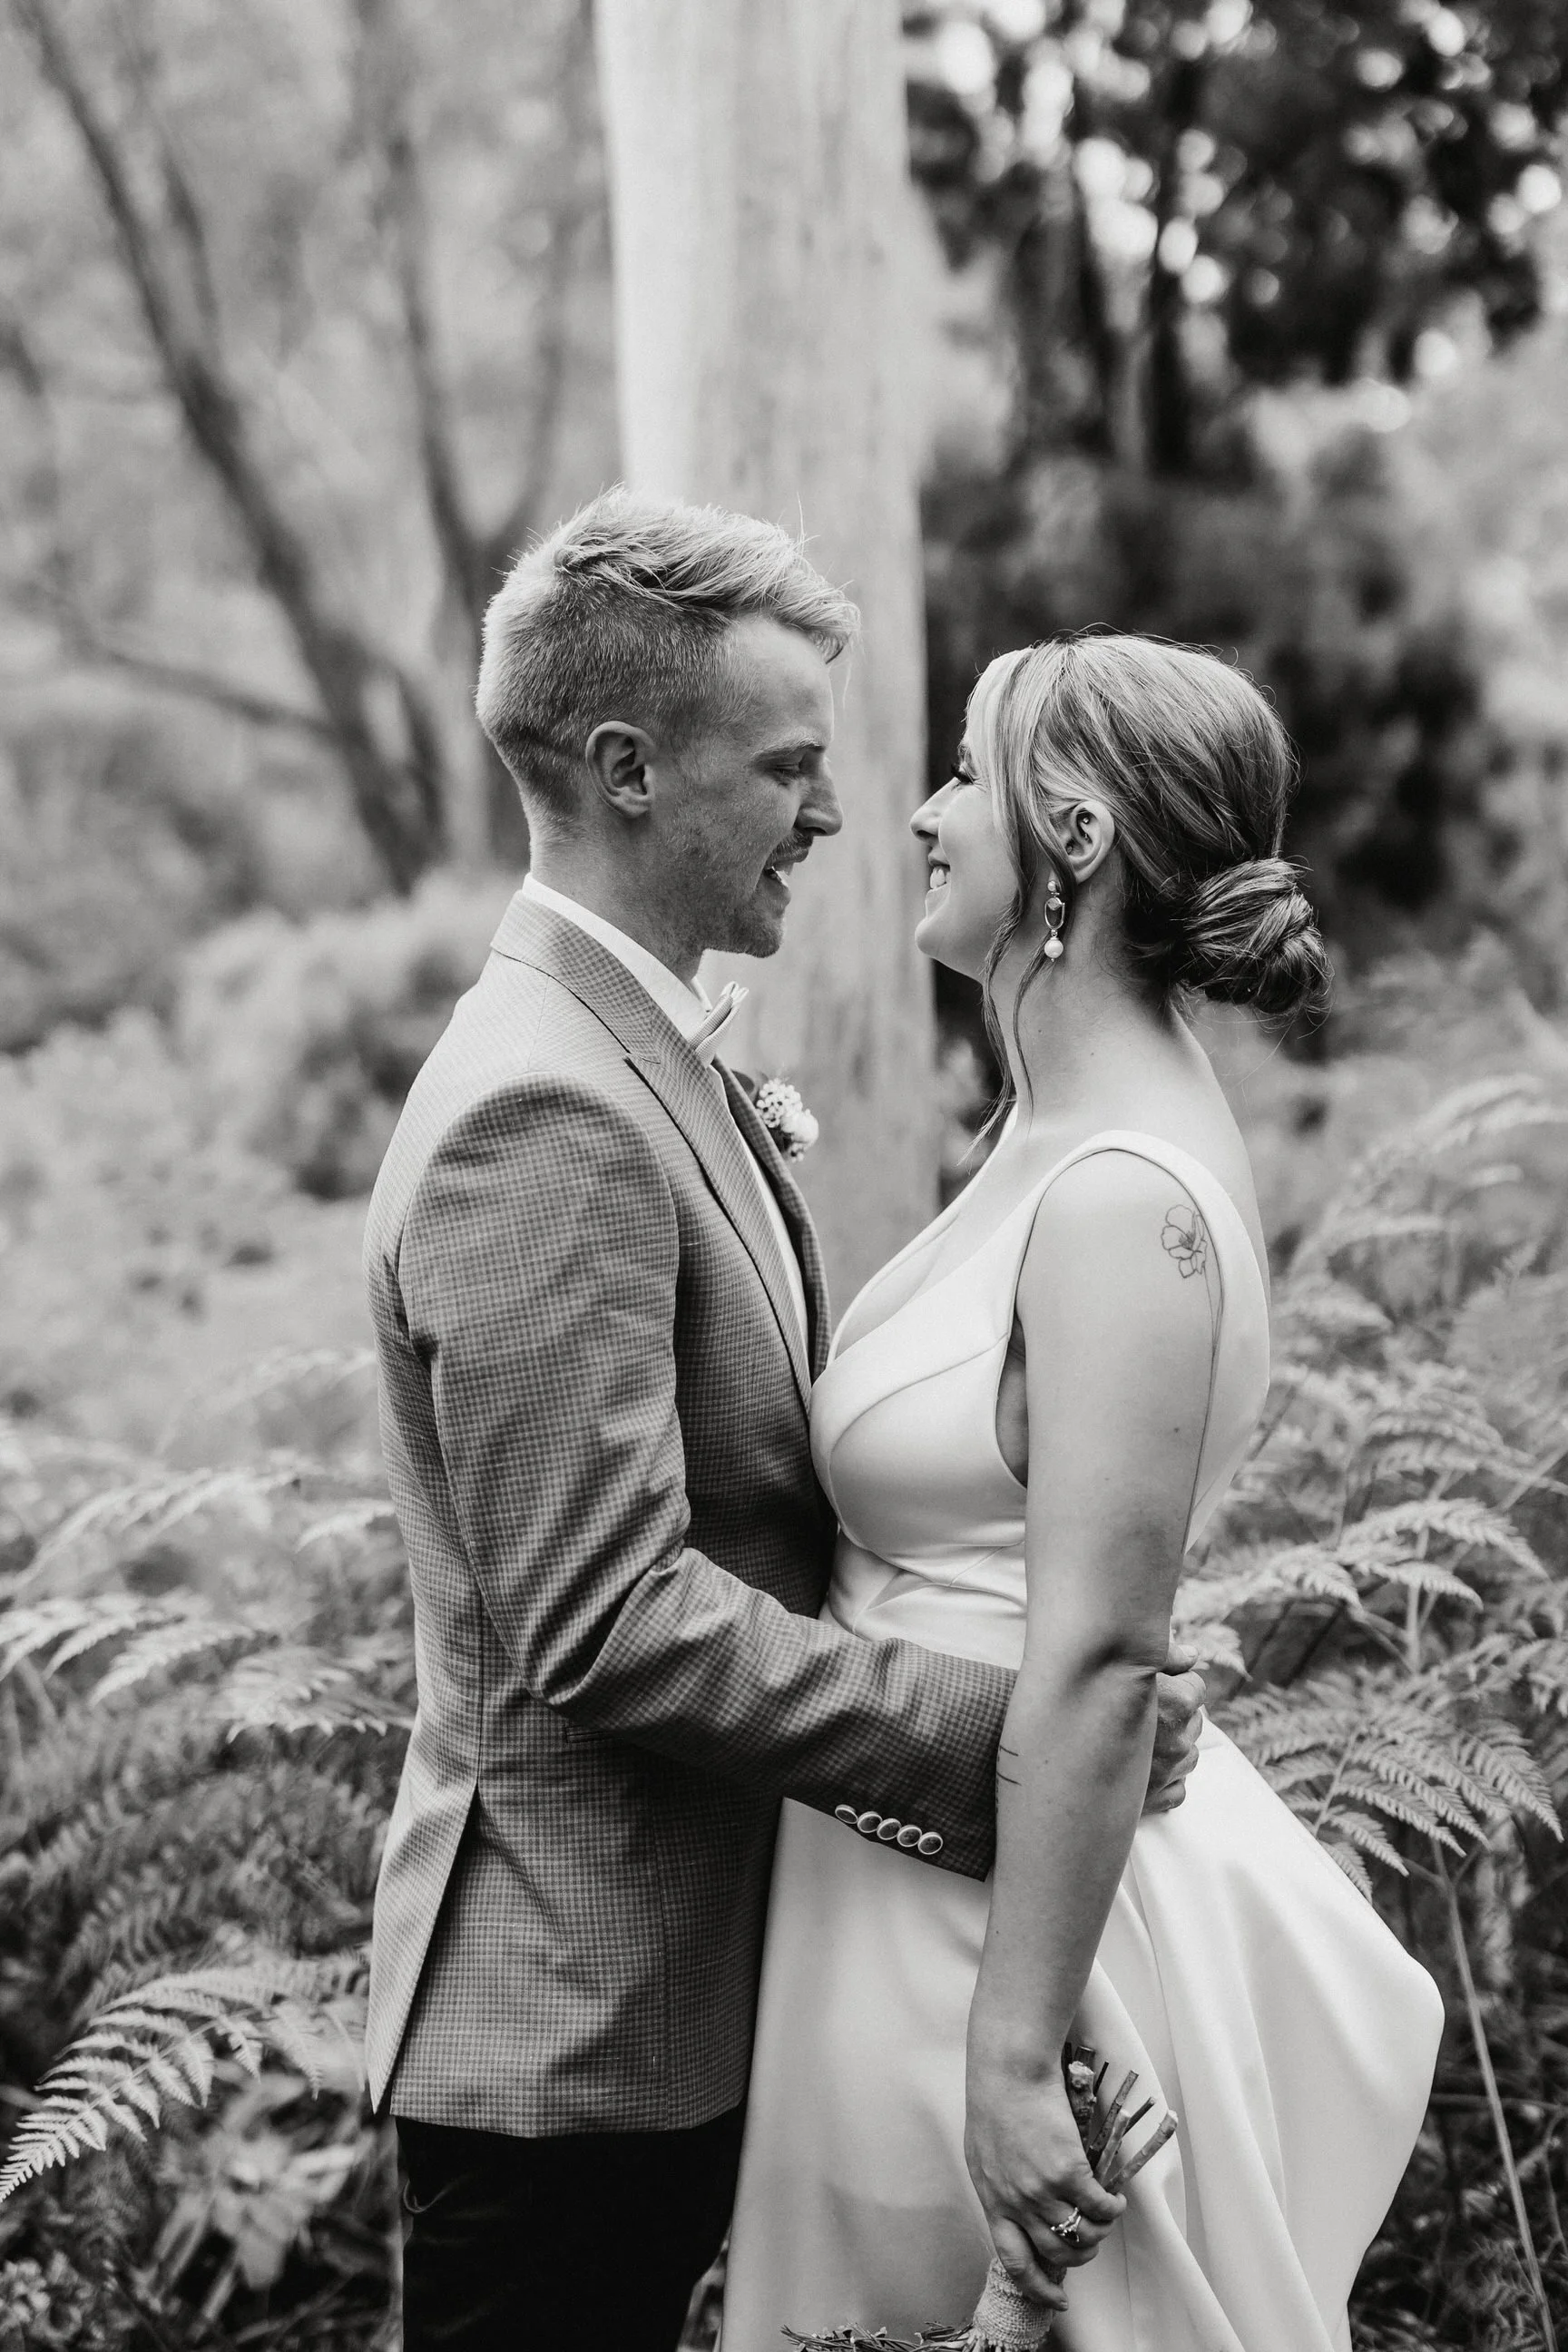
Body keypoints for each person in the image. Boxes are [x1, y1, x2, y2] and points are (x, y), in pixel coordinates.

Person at [361, 498, 1206, 2352]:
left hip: (697, 1994)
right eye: (790, 765)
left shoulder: (644, 1049)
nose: (834, 814)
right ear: (626, 770)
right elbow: (609, 1622)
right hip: (575, 2044)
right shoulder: (547, 1113)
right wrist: (1012, 1736)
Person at [722, 634, 1446, 2352]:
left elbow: (1110, 1654)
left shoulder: (1126, 1201)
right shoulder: (1056, 1139)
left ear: (1077, 831)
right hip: (906, 1884)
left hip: (1021, 1957)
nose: (920, 811)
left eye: (967, 772)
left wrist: (1009, 2054)